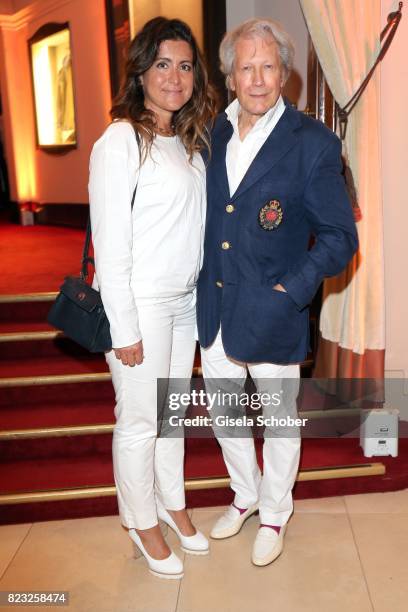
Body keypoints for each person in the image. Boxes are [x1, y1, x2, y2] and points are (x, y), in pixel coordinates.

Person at [197, 18, 358, 567]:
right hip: (215, 308)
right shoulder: (212, 132)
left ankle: (274, 512)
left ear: (285, 74)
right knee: (226, 416)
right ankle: (245, 494)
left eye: (269, 66)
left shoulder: (312, 142)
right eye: (247, 66)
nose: (258, 78)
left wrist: (292, 290)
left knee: (279, 422)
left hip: (273, 311)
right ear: (230, 76)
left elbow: (340, 237)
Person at [89, 17, 217, 579]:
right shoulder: (120, 140)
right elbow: (112, 244)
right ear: (140, 71)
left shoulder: (186, 141)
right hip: (139, 302)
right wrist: (125, 328)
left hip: (183, 302)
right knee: (139, 420)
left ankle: (173, 503)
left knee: (170, 418)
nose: (174, 76)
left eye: (185, 65)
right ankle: (141, 521)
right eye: (162, 64)